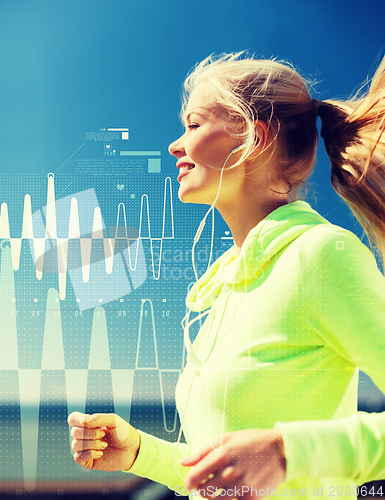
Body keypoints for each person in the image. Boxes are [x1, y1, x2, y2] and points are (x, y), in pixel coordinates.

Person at [67, 51, 385, 500]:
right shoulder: (232, 282)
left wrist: (287, 452)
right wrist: (139, 452)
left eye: (194, 125)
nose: (176, 145)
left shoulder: (319, 256)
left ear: (255, 138)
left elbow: (269, 460)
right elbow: (227, 476)